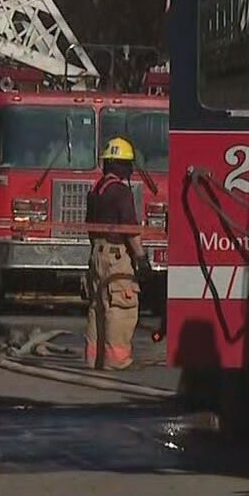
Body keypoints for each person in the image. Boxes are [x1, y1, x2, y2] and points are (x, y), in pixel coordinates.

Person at [85, 136, 146, 370]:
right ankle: (117, 361)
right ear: (124, 165)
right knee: (121, 306)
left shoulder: (96, 189)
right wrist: (140, 257)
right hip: (117, 256)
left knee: (98, 306)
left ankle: (94, 359)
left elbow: (89, 226)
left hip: (97, 253)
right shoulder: (121, 192)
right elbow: (129, 228)